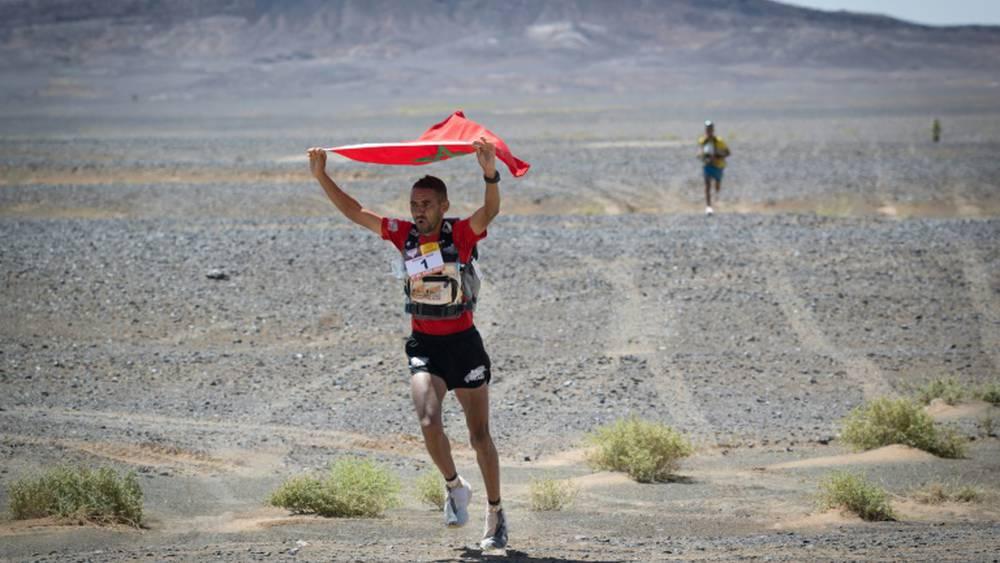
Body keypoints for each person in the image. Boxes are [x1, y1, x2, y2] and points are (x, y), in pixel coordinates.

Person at [307, 140, 507, 551]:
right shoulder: (402, 235)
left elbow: (491, 211)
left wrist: (489, 173)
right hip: (426, 346)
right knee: (429, 422)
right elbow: (355, 211)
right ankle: (454, 487)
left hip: (464, 345)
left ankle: (496, 513)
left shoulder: (462, 234)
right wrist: (322, 175)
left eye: (427, 203)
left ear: (443, 204)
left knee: (479, 436)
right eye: (414, 203)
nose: (418, 210)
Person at [697, 120, 731, 216]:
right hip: (707, 165)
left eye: (710, 129)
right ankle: (708, 206)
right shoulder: (703, 141)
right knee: (707, 184)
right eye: (707, 129)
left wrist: (718, 155)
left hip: (718, 166)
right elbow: (699, 152)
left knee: (717, 184)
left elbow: (728, 152)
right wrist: (702, 156)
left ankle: (717, 199)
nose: (709, 131)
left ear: (713, 129)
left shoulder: (719, 141)